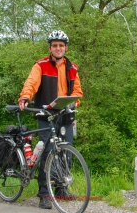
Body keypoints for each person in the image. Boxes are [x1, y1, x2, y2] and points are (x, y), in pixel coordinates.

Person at [18, 30, 83, 209]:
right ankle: (45, 193)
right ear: (50, 48)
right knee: (47, 154)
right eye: (55, 45)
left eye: (61, 45)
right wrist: (24, 97)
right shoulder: (41, 65)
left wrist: (75, 102)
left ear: (66, 48)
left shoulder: (72, 68)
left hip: (65, 115)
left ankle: (62, 190)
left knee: (65, 153)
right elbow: (31, 83)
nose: (58, 48)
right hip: (46, 115)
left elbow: (77, 91)